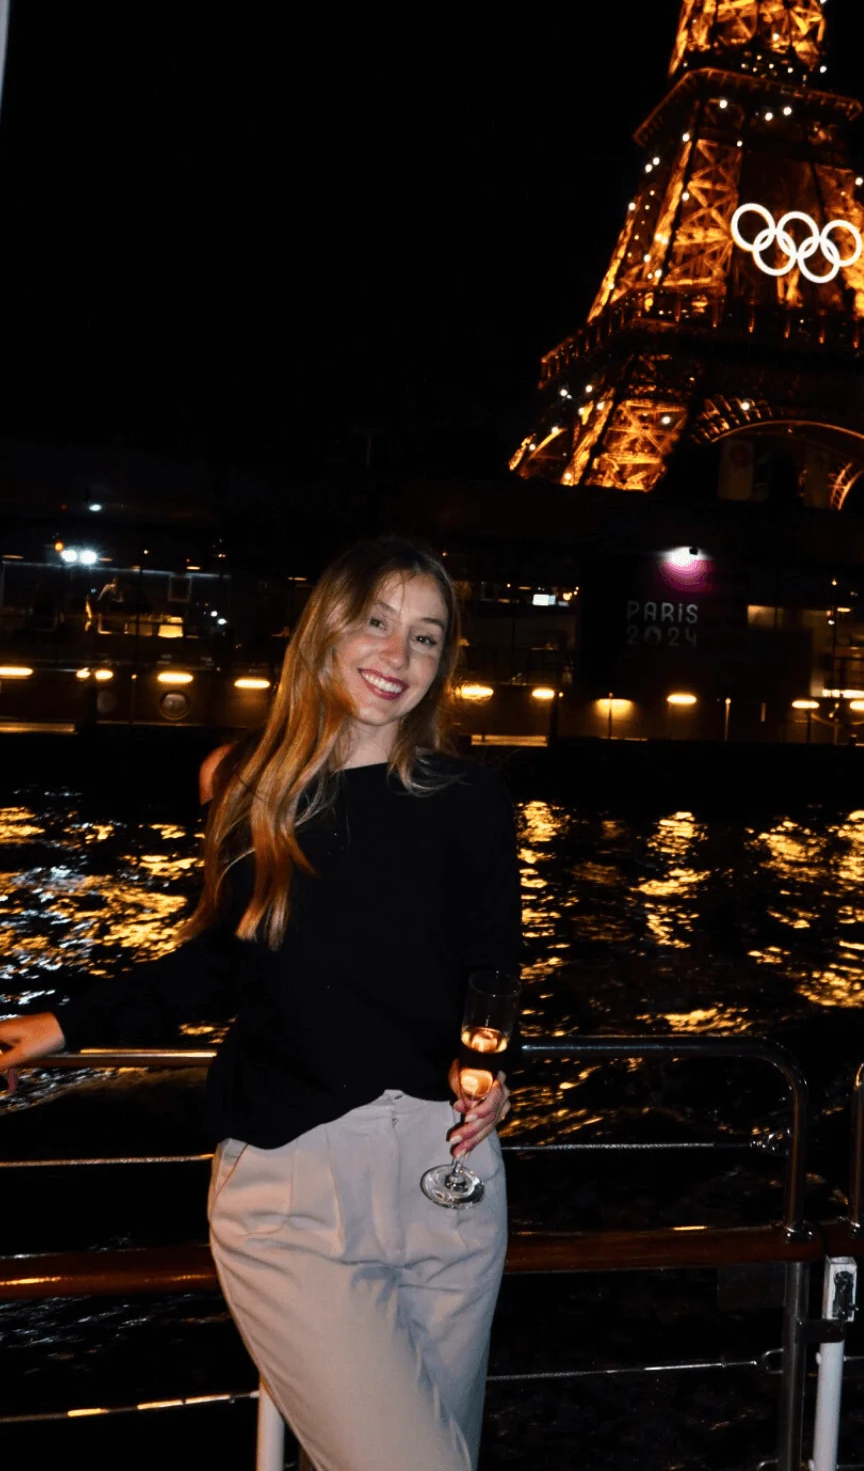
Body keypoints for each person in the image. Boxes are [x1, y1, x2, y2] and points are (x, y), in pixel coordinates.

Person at [0, 536, 522, 1471]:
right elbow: (221, 964)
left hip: (453, 1179)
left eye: (427, 637)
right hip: (297, 1185)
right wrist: (62, 1024)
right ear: (323, 631)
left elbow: (493, 968)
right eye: (377, 621)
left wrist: (491, 1074)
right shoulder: (250, 787)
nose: (399, 654)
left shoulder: (471, 800)